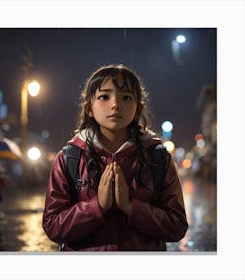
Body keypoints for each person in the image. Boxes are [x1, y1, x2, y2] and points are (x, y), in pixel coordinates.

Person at [42, 64, 188, 251]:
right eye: (104, 96)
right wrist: (97, 207)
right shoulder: (69, 158)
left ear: (138, 108)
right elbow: (53, 227)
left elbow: (176, 227)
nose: (115, 104)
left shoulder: (158, 158)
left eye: (126, 97)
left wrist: (130, 207)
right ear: (89, 108)